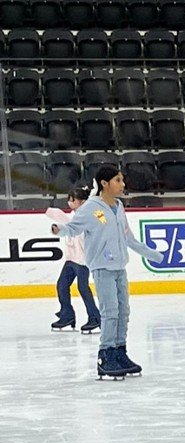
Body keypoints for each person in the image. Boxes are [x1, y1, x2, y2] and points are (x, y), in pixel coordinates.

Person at [48, 163, 145, 380]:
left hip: (120, 265)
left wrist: (147, 251)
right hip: (102, 266)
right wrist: (59, 229)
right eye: (118, 180)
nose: (123, 184)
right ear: (104, 183)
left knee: (123, 311)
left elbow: (126, 235)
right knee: (110, 311)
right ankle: (105, 355)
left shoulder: (118, 206)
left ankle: (120, 351)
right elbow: (74, 226)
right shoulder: (91, 207)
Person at [49, 186, 101, 333]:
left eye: (73, 201)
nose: (70, 203)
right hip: (71, 258)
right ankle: (67, 315)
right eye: (69, 200)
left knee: (83, 288)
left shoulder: (90, 215)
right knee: (61, 285)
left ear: (83, 202)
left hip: (83, 259)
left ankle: (95, 318)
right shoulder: (73, 215)